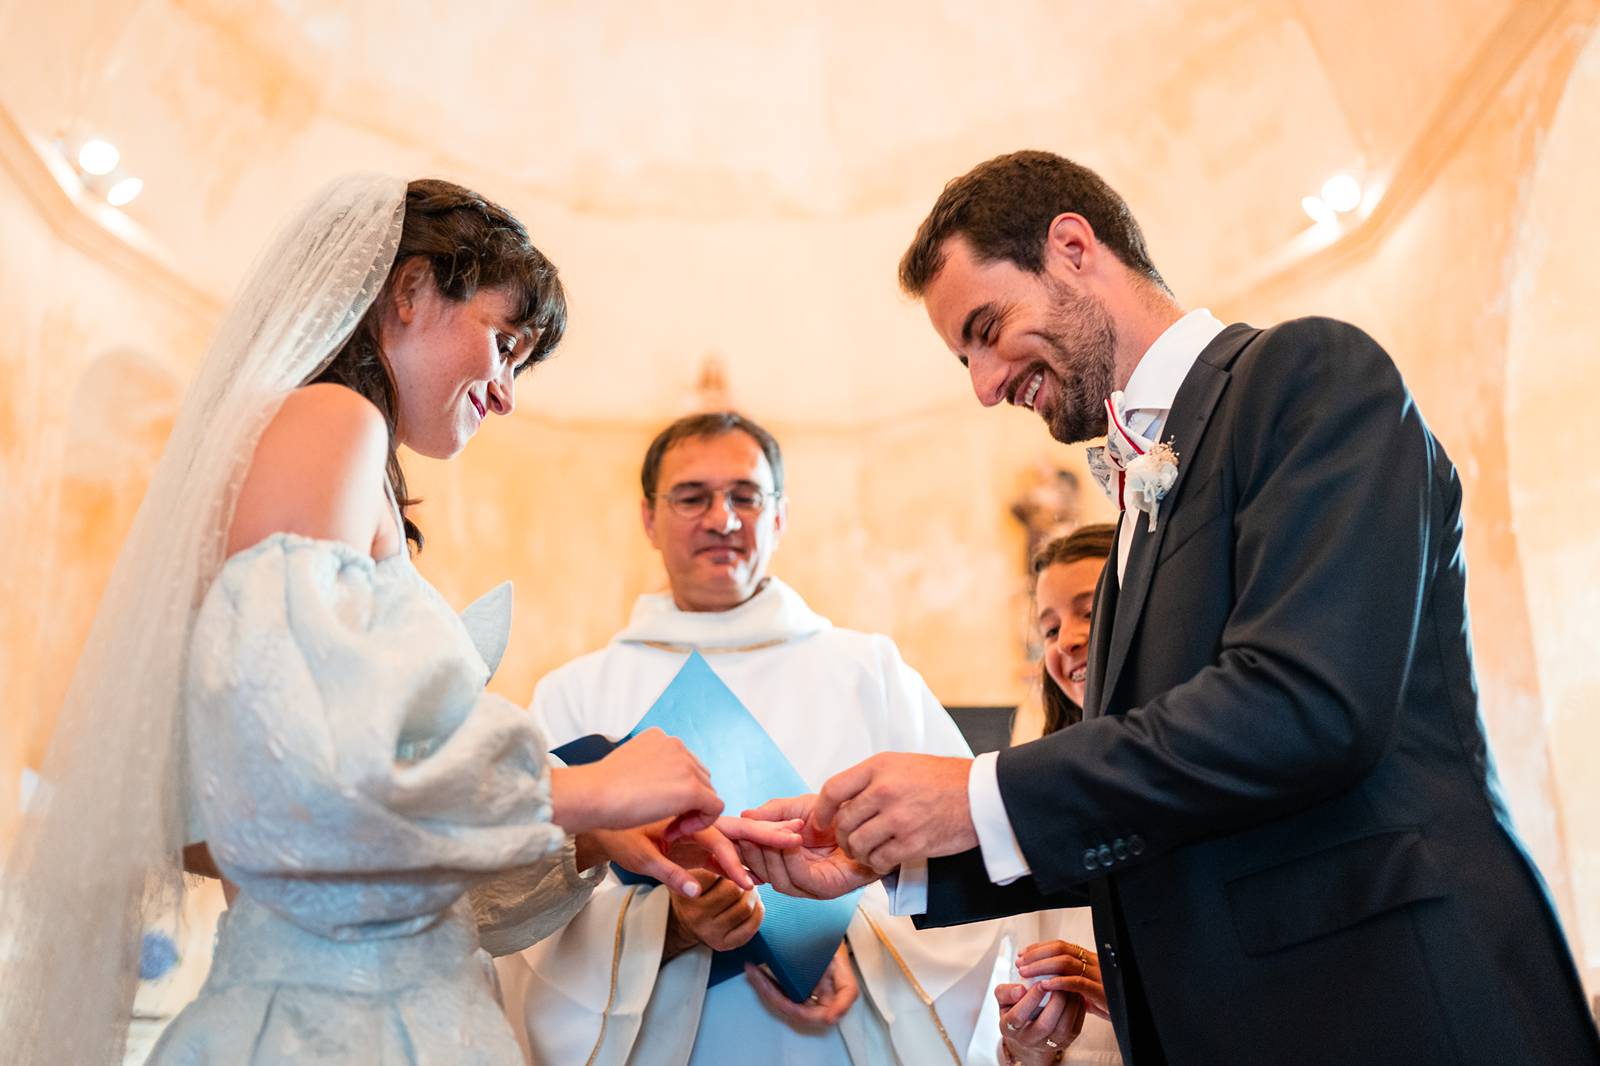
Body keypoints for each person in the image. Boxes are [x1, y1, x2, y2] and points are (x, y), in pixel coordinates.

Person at [738, 151, 1600, 1064]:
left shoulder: (1306, 376)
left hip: (1393, 1008)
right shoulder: (1129, 537)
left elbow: (1307, 705)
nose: (985, 385)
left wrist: (974, 793)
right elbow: (1155, 799)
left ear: (1073, 247)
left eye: (988, 330)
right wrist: (891, 852)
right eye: (967, 358)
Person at [0, 177, 791, 1065]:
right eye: (505, 342)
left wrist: (586, 831)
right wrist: (590, 787)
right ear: (408, 290)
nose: (508, 392)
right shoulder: (332, 420)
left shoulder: (346, 460)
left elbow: (349, 854)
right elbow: (285, 789)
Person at [496, 411, 1007, 1065]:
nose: (723, 518)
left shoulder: (868, 671)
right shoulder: (575, 692)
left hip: (845, 1033)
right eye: (692, 497)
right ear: (649, 518)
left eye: (746, 496)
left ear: (780, 516)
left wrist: (848, 945)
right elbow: (523, 901)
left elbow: (962, 851)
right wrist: (672, 928)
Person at [993, 525, 1121, 1066]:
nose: (1066, 640)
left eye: (1089, 612)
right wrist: (1027, 1043)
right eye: (1049, 628)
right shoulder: (1044, 805)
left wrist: (1129, 996)